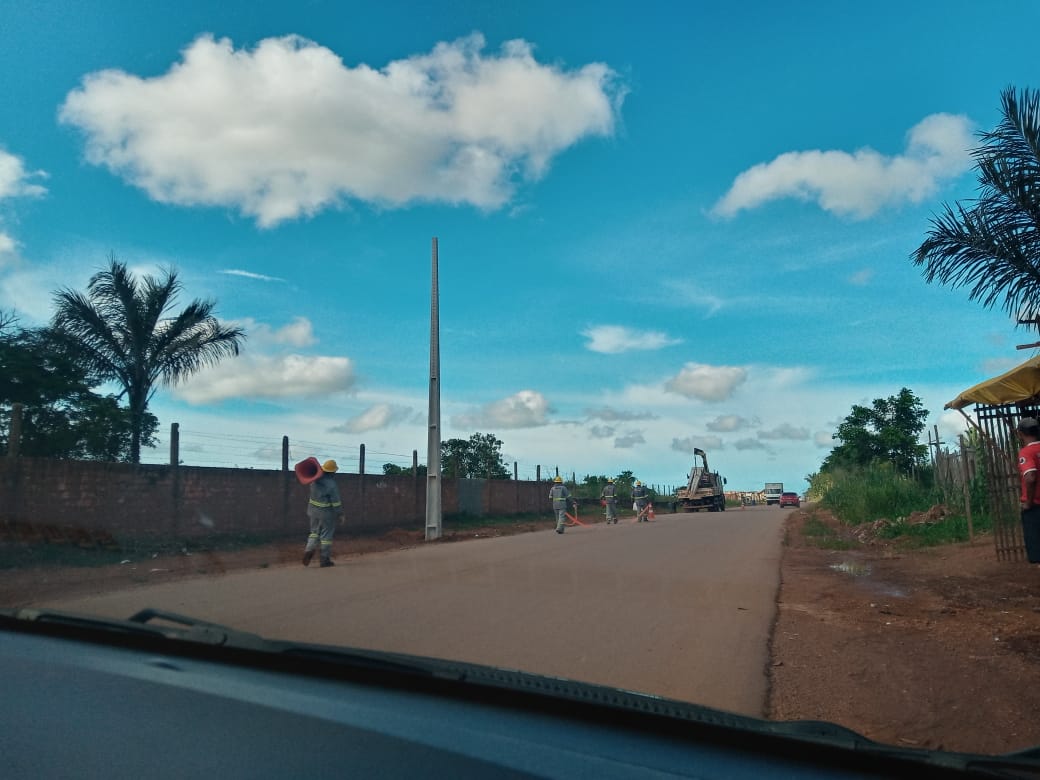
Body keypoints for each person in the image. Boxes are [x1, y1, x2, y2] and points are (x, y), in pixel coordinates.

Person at [304, 458, 344, 567]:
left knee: (314, 533)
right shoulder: (332, 485)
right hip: (326, 514)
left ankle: (309, 550)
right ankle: (324, 559)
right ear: (332, 472)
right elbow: (335, 502)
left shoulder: (314, 480)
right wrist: (340, 514)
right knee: (326, 536)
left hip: (312, 512)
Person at [1016, 418, 1040, 563]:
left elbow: (1030, 477)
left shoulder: (1026, 452)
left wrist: (1029, 503)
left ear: (1020, 434)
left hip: (1036, 508)